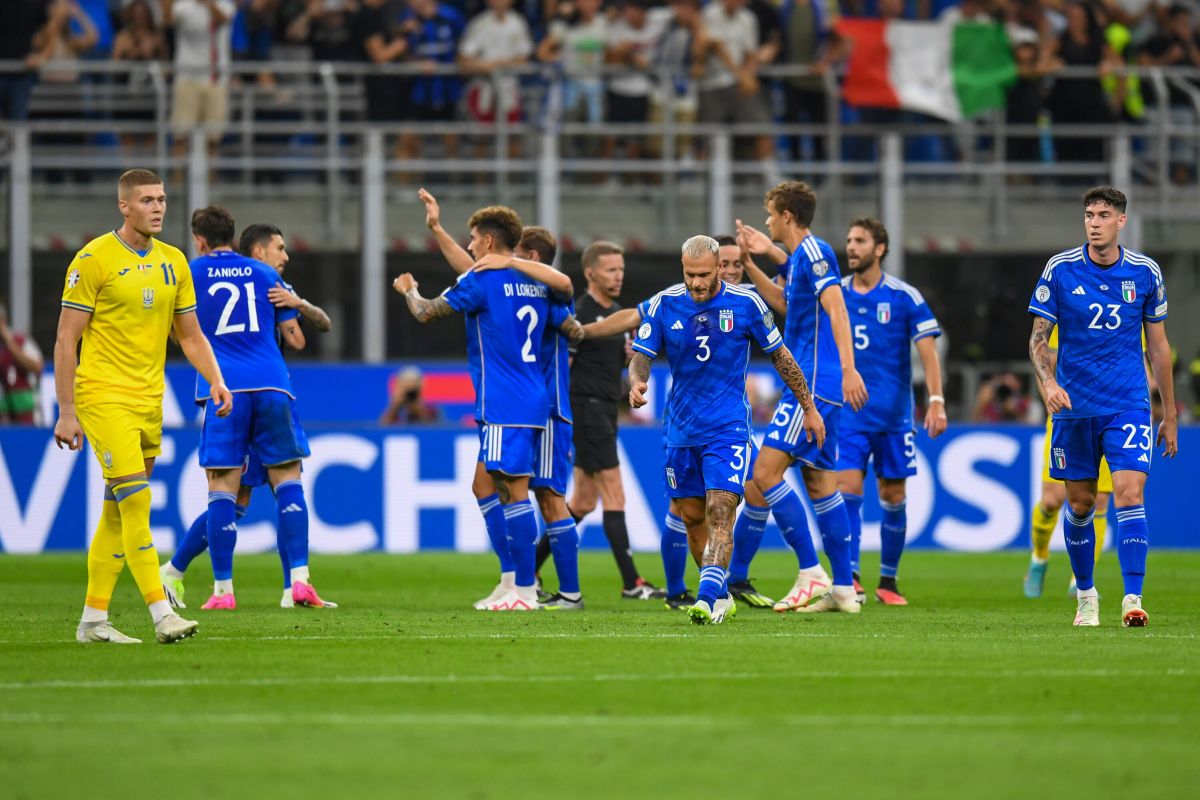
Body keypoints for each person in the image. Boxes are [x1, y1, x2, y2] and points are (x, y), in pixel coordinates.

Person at [55, 168, 229, 644]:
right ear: (124, 206)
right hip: (103, 394)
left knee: (117, 511)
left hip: (149, 398)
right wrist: (67, 410)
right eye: (147, 200)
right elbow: (67, 339)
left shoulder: (174, 261)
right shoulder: (94, 259)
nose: (157, 208)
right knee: (137, 501)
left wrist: (216, 379)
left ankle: (93, 621)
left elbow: (189, 335)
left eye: (162, 199)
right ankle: (161, 613)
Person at [628, 235, 823, 624]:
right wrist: (637, 382)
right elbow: (641, 356)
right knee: (691, 518)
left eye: (703, 274)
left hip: (728, 428)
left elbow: (781, 356)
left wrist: (809, 406)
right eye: (689, 274)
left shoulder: (746, 304)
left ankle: (705, 600)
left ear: (719, 268)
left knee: (720, 511)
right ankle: (720, 595)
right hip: (681, 431)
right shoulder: (666, 303)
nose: (696, 283)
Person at [417, 190, 580, 609]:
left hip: (506, 400)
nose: (471, 246)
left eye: (474, 239)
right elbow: (568, 312)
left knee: (517, 491)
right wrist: (436, 228)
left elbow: (426, 312)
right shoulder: (536, 284)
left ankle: (525, 589)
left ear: (489, 241)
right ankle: (512, 581)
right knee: (487, 485)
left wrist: (409, 290)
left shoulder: (486, 280)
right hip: (531, 396)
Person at [162, 222, 335, 610]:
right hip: (271, 386)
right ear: (256, 249)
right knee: (283, 485)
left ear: (200, 240)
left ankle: (222, 590)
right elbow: (298, 338)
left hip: (224, 388)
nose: (285, 255)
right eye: (280, 247)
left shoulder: (191, 271)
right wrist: (294, 305)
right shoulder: (267, 278)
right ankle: (297, 583)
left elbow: (178, 330)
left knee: (226, 490)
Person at [1027, 185, 1178, 627]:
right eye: (1089, 215)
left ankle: (1132, 598)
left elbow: (1159, 347)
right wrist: (1048, 383)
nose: (1094, 223)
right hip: (1075, 406)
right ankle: (1086, 595)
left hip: (1127, 402)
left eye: (1103, 215)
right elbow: (1037, 339)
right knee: (1079, 504)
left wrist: (1169, 412)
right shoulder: (1060, 269)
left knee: (1129, 493)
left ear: (1121, 221)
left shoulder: (1145, 273)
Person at [734, 180, 869, 614]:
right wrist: (750, 265)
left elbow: (837, 307)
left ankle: (811, 572)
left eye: (771, 214)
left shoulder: (815, 251)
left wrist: (849, 369)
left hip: (811, 384)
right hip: (819, 383)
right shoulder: (800, 261)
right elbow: (788, 305)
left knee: (765, 472)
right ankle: (843, 588)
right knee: (820, 484)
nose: (767, 221)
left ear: (787, 216)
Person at [836, 218, 946, 606]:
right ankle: (849, 576)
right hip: (848, 414)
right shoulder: (836, 295)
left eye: (860, 241)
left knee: (893, 494)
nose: (851, 247)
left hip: (894, 416)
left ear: (879, 248)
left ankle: (888, 580)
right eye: (849, 240)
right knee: (847, 489)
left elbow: (928, 352)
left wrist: (936, 400)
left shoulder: (904, 297)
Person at [569, 241, 665, 599]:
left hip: (605, 408)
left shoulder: (617, 316)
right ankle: (632, 583)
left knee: (582, 502)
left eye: (621, 269)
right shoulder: (580, 314)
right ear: (590, 273)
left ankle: (529, 571)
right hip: (586, 409)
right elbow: (564, 366)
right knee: (615, 493)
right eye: (611, 270)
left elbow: (612, 366)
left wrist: (626, 359)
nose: (618, 275)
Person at [1024, 325, 1117, 600]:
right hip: (1067, 418)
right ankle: (1039, 558)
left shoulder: (1122, 312)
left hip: (1109, 418)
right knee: (1052, 501)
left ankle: (1081, 577)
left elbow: (1139, 361)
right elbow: (1045, 364)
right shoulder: (1068, 314)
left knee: (1099, 500)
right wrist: (1052, 406)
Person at [164, 0, 236, 165]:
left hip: (216, 80)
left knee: (213, 139)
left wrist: (208, 4)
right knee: (181, 137)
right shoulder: (183, 5)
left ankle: (211, 181)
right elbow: (167, 22)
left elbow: (224, 18)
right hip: (186, 78)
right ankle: (177, 180)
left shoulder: (225, 4)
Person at [0, 301, 45, 425]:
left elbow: (37, 367)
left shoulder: (21, 341)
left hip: (29, 417)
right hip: (5, 419)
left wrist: (10, 343)